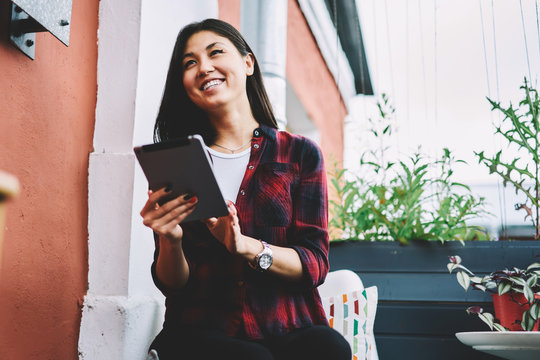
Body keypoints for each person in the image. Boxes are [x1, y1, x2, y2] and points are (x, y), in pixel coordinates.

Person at [140, 18, 351, 360]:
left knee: (329, 348)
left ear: (248, 62)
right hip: (201, 330)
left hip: (288, 328)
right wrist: (170, 239)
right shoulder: (178, 163)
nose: (203, 67)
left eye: (215, 52)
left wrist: (245, 247)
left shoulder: (298, 153)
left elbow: (314, 264)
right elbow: (173, 284)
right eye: (189, 63)